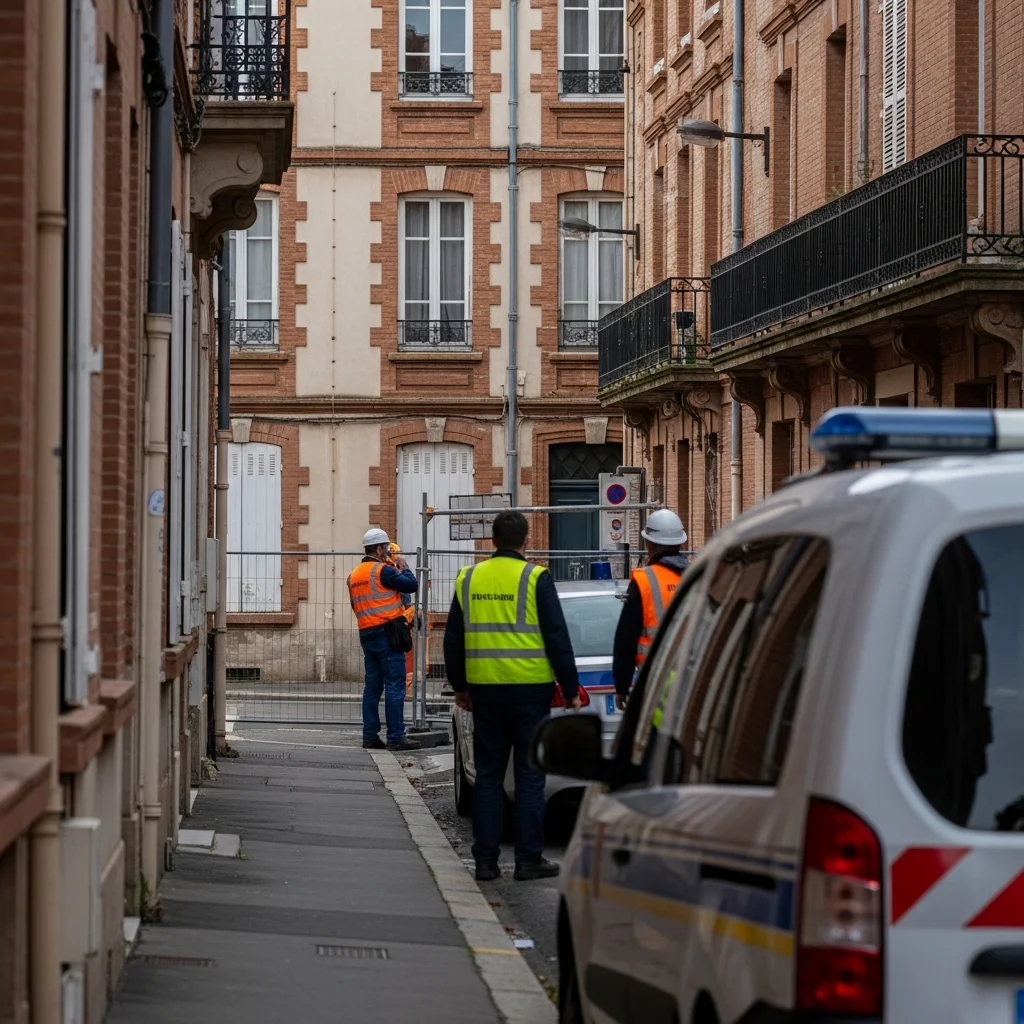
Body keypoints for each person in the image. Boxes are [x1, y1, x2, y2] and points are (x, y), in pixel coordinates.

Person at [443, 510, 581, 882]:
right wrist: (570, 689)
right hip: (531, 693)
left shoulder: (468, 578)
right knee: (530, 777)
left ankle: (486, 862)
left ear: (492, 540)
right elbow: (556, 636)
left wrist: (460, 687)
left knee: (488, 777)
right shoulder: (535, 577)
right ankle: (527, 859)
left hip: (485, 692)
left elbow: (453, 638)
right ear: (525, 540)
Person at [347, 528, 421, 751]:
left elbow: (356, 605)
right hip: (387, 633)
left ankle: (369, 736)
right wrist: (403, 565)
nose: (388, 552)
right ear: (378, 548)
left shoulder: (354, 575)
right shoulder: (382, 571)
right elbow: (411, 585)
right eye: (386, 548)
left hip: (366, 633)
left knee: (372, 686)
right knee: (395, 685)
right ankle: (396, 736)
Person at [612, 508, 689, 712]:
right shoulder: (697, 576)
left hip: (654, 681)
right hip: (692, 681)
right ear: (680, 543)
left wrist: (622, 686)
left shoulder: (644, 581)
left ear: (649, 545)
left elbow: (625, 639)